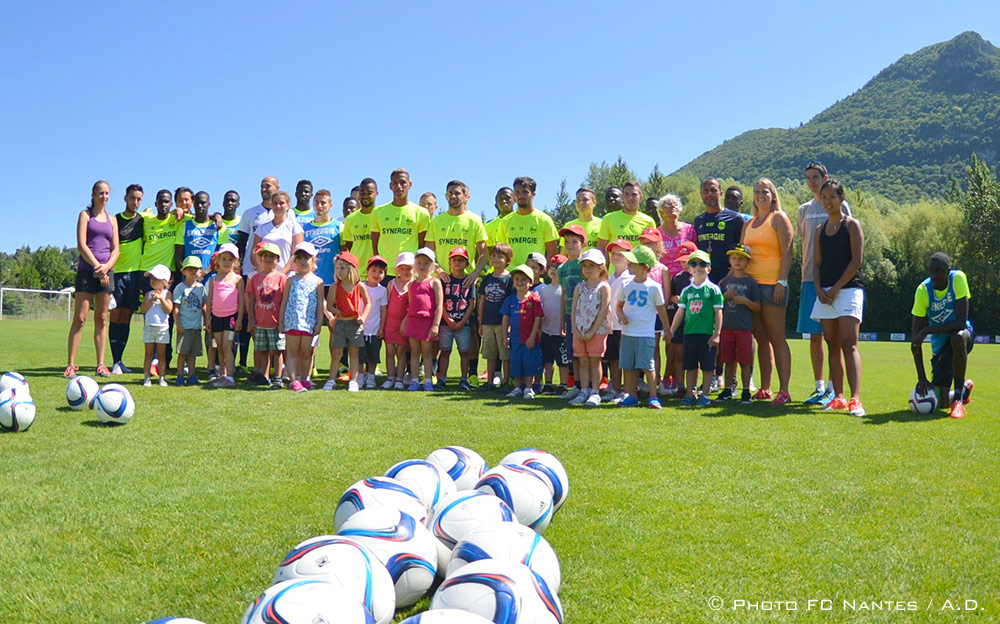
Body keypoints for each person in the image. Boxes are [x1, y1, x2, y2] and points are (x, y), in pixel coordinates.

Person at [810, 179, 866, 416]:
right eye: (824, 198)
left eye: (832, 197)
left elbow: (856, 262)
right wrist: (820, 289)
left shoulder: (852, 225)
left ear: (842, 198)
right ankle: (839, 397)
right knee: (832, 344)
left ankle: (855, 399)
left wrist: (835, 289)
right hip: (825, 294)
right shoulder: (819, 230)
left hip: (849, 290)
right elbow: (817, 264)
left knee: (849, 344)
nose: (828, 202)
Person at [798, 161, 853, 405]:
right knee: (815, 336)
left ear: (825, 177)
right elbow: (805, 244)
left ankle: (834, 388)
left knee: (835, 338)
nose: (812, 182)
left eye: (815, 177)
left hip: (836, 280)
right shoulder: (803, 210)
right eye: (808, 178)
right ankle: (819, 387)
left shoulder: (842, 206)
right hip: (810, 279)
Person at [741, 178, 794, 404]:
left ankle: (784, 390)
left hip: (773, 285)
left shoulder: (779, 219)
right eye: (757, 191)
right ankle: (765, 388)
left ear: (773, 195)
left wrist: (782, 282)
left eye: (765, 191)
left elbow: (788, 252)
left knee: (777, 337)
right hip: (751, 286)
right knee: (761, 339)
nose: (760, 195)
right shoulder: (748, 223)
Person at [910, 252, 975, 419]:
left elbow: (961, 322)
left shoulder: (958, 279)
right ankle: (963, 391)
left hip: (963, 336)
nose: (934, 276)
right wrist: (922, 379)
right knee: (940, 400)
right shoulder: (923, 290)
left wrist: (927, 330)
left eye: (938, 271)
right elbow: (915, 342)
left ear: (948, 270)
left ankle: (959, 401)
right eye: (931, 271)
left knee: (958, 337)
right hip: (941, 349)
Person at [66, 180, 119, 379]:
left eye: (107, 193)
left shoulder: (112, 220)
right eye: (100, 193)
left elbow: (116, 249)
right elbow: (81, 245)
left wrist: (106, 268)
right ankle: (71, 364)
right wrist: (97, 266)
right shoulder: (85, 215)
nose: (104, 196)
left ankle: (101, 364)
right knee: (80, 318)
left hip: (106, 273)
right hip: (87, 272)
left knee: (102, 318)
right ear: (93, 194)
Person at [615, 245, 669, 409]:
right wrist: (621, 316)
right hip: (627, 333)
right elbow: (618, 306)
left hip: (645, 334)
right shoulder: (626, 284)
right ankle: (631, 395)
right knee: (628, 366)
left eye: (633, 263)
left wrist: (667, 329)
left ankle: (653, 397)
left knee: (647, 366)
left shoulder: (654, 287)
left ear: (645, 267)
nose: (629, 265)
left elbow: (661, 310)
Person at [670, 250, 723, 407]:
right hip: (689, 333)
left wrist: (717, 334)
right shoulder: (686, 291)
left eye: (702, 264)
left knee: (707, 367)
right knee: (690, 366)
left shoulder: (713, 289)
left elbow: (718, 312)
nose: (698, 267)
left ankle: (705, 395)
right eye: (694, 264)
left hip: (707, 334)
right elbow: (680, 312)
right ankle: (690, 394)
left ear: (709, 268)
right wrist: (671, 330)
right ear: (689, 268)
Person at [718, 244, 761, 403]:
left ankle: (745, 391)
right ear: (729, 260)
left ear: (747, 262)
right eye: (734, 258)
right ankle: (728, 389)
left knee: (744, 361)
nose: (737, 261)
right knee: (728, 361)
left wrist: (745, 301)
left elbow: (757, 307)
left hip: (744, 328)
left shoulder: (751, 282)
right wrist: (725, 297)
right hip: (727, 327)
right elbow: (716, 303)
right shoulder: (724, 281)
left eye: (741, 259)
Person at [280, 242, 325, 392]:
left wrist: (319, 323)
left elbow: (320, 304)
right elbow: (284, 301)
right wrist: (281, 321)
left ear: (313, 260)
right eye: (299, 258)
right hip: (292, 321)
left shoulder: (318, 282)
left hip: (309, 322)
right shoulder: (291, 280)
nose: (302, 261)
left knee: (307, 353)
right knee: (292, 351)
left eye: (306, 258)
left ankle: (306, 379)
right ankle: (294, 380)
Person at [568, 249, 611, 407]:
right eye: (584, 265)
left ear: (601, 267)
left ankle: (595, 392)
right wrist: (576, 329)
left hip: (597, 331)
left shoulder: (604, 287)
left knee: (595, 361)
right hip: (580, 330)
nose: (587, 268)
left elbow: (603, 310)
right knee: (583, 361)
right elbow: (573, 310)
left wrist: (592, 331)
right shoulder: (580, 286)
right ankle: (583, 390)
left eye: (591, 265)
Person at [109, 183, 144, 374]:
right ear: (125, 198)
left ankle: (120, 361)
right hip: (117, 274)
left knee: (127, 317)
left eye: (139, 199)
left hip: (135, 275)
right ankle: (115, 361)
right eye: (133, 198)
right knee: (116, 314)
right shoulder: (115, 220)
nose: (136, 202)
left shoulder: (143, 220)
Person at [372, 169, 430, 284]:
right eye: (395, 183)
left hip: (408, 271)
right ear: (390, 186)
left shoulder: (421, 213)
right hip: (385, 271)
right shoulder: (378, 212)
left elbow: (422, 245)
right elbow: (374, 243)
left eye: (403, 182)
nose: (399, 186)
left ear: (410, 185)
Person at [325, 251, 371, 392]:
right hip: (340, 324)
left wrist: (363, 318)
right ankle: (331, 379)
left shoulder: (359, 286)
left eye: (343, 268)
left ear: (351, 269)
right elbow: (329, 305)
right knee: (337, 353)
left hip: (355, 324)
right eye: (337, 268)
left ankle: (354, 380)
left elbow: (368, 303)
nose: (339, 271)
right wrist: (338, 313)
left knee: (354, 353)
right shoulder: (334, 287)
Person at [425, 180, 488, 281]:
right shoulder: (436, 221)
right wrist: (438, 270)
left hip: (465, 280)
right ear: (446, 196)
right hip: (440, 280)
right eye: (450, 193)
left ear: (465, 196)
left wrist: (476, 273)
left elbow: (484, 253)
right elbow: (428, 253)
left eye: (457, 193)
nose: (453, 196)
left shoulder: (474, 220)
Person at [246, 242, 288, 389]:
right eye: (265, 256)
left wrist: (282, 320)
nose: (268, 259)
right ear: (260, 258)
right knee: (262, 350)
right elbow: (251, 297)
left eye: (272, 256)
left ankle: (278, 377)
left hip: (275, 321)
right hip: (260, 321)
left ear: (277, 260)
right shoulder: (256, 278)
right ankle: (264, 376)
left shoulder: (282, 278)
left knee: (277, 351)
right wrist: (251, 317)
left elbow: (284, 299)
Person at [402, 248, 444, 392]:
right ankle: (414, 380)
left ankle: (427, 380)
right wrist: (405, 321)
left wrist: (436, 325)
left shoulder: (435, 282)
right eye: (419, 262)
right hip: (413, 322)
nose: (422, 266)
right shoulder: (411, 284)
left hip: (427, 322)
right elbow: (410, 305)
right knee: (414, 352)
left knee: (427, 352)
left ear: (432, 265)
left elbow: (439, 306)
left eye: (426, 263)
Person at [501, 264, 544, 399]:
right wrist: (504, 337)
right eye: (517, 279)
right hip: (515, 339)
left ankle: (529, 388)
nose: (519, 282)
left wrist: (532, 336)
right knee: (516, 363)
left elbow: (538, 318)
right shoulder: (510, 299)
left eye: (523, 279)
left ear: (530, 282)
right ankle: (517, 388)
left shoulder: (534, 299)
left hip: (529, 340)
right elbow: (505, 319)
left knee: (529, 364)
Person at [205, 243, 244, 388]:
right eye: (224, 259)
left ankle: (230, 377)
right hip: (216, 317)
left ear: (235, 262)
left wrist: (239, 319)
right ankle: (223, 374)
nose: (227, 262)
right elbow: (209, 300)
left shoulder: (238, 279)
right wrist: (208, 318)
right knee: (220, 347)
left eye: (230, 260)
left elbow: (241, 302)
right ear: (218, 260)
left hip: (231, 318)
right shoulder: (213, 280)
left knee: (228, 347)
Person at [437, 247, 477, 391]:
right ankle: (442, 378)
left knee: (464, 352)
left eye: (461, 260)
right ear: (449, 263)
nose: (457, 262)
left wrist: (462, 321)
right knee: (445, 351)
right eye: (454, 260)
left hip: (463, 324)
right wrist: (448, 320)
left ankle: (464, 379)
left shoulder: (469, 281)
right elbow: (440, 302)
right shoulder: (444, 280)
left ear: (467, 264)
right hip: (445, 323)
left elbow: (472, 303)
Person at [496, 177, 559, 266]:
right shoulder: (505, 221)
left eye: (525, 192)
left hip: (534, 275)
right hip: (511, 275)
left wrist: (542, 272)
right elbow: (501, 252)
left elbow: (552, 253)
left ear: (533, 194)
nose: (520, 196)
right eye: (517, 192)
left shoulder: (545, 220)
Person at [694, 177, 745, 286]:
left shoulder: (735, 219)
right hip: (704, 276)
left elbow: (741, 249)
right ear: (701, 194)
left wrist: (729, 277)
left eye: (713, 190)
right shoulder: (699, 220)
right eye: (705, 191)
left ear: (721, 194)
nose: (709, 194)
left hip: (728, 276)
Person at [664, 241, 697, 397]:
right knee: (678, 353)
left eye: (688, 261)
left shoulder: (700, 277)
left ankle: (693, 386)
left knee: (693, 355)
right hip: (679, 320)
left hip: (696, 321)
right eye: (682, 261)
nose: (685, 265)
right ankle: (681, 385)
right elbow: (669, 297)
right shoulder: (677, 277)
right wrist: (673, 299)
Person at [478, 243, 514, 390]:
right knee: (490, 353)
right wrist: (480, 322)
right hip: (487, 322)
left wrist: (510, 324)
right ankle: (490, 381)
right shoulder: (487, 279)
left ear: (508, 260)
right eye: (493, 255)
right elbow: (482, 301)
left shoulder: (510, 279)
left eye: (500, 256)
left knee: (505, 354)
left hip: (502, 323)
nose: (496, 259)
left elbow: (512, 302)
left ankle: (506, 381)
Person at [557, 225, 586, 401]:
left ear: (583, 243)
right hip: (569, 314)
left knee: (586, 353)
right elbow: (563, 294)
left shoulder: (586, 264)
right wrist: (562, 320)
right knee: (573, 352)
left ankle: (589, 386)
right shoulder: (562, 268)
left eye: (574, 242)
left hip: (585, 314)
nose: (570, 245)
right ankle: (577, 385)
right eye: (567, 242)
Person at [604, 239, 634, 402]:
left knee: (626, 360)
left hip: (626, 326)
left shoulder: (631, 278)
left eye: (620, 254)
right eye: (613, 253)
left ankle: (627, 391)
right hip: (611, 326)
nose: (615, 257)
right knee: (614, 359)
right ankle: (615, 389)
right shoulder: (608, 278)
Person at [175, 191, 229, 278]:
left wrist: (204, 273)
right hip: (188, 280)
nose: (200, 206)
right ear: (193, 203)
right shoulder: (184, 226)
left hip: (212, 278)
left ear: (209, 204)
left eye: (203, 203)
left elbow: (222, 255)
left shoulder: (220, 227)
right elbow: (178, 256)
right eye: (197, 203)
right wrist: (188, 274)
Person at [172, 256, 208, 386]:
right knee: (182, 353)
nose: (193, 272)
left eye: (196, 269)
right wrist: (178, 324)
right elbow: (176, 307)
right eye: (190, 269)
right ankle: (180, 375)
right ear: (184, 271)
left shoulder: (201, 288)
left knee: (193, 354)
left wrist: (205, 321)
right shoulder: (180, 288)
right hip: (184, 326)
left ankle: (192, 375)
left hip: (196, 326)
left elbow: (204, 305)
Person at [539, 254, 570, 395]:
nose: (553, 270)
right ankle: (548, 383)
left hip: (560, 332)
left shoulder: (565, 288)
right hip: (546, 330)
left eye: (557, 267)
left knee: (562, 361)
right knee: (548, 360)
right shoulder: (545, 289)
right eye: (551, 266)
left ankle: (563, 384)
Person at [236, 176, 279, 277]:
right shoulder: (249, 213)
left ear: (277, 188)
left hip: (277, 272)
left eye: (267, 186)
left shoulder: (286, 213)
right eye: (262, 187)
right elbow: (241, 243)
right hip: (250, 270)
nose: (264, 189)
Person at [253, 191, 304, 274]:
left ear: (288, 205)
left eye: (281, 203)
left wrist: (281, 274)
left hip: (287, 277)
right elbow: (254, 252)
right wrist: (264, 271)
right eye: (275, 203)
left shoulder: (295, 227)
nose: (278, 206)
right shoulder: (262, 227)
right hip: (265, 276)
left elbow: (296, 255)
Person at [382, 252, 413, 390]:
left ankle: (399, 378)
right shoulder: (391, 283)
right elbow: (386, 304)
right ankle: (390, 377)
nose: (405, 271)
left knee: (401, 352)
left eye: (409, 268)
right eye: (402, 268)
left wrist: (405, 322)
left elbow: (412, 307)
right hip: (390, 323)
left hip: (403, 324)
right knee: (389, 351)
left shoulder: (413, 285)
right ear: (397, 269)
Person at [597, 181, 656, 253]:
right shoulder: (609, 218)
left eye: (634, 194)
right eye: (626, 194)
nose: (630, 198)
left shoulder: (649, 221)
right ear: (622, 197)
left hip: (639, 264)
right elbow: (601, 249)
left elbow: (653, 250)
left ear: (641, 198)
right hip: (615, 264)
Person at [139, 263, 174, 387]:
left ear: (164, 281)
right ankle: (146, 377)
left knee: (161, 355)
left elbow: (169, 309)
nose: (153, 281)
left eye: (156, 278)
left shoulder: (167, 294)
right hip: (149, 327)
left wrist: (161, 299)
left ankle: (162, 378)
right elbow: (143, 309)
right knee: (148, 354)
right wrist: (151, 300)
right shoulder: (148, 294)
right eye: (151, 278)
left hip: (162, 328)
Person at [303, 189, 343, 291]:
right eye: (316, 203)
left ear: (330, 205)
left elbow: (343, 253)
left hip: (333, 281)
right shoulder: (305, 228)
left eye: (323, 203)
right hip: (311, 281)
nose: (319, 206)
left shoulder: (338, 226)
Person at [361, 256, 389, 389]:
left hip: (374, 329)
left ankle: (371, 377)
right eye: (374, 270)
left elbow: (384, 310)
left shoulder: (383, 291)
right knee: (359, 355)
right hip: (360, 329)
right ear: (367, 271)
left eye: (380, 271)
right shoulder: (360, 287)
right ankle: (359, 377)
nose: (376, 274)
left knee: (373, 356)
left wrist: (381, 328)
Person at [656, 193, 697, 278]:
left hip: (687, 277)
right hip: (664, 278)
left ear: (680, 210)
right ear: (661, 212)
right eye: (668, 204)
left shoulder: (690, 230)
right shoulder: (657, 233)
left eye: (675, 204)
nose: (672, 207)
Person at [342, 178, 379, 270]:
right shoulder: (350, 219)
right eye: (362, 193)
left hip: (377, 272)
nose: (365, 196)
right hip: (357, 272)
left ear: (376, 193)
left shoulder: (381, 215)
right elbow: (350, 246)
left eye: (369, 192)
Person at [562, 187, 603, 252]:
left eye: (585, 200)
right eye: (578, 200)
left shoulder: (602, 224)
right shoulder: (569, 225)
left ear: (594, 203)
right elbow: (564, 254)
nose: (581, 202)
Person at [485, 187, 515, 259]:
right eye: (500, 198)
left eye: (507, 198)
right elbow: (488, 252)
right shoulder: (488, 226)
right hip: (498, 269)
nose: (504, 201)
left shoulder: (522, 220)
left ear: (515, 200)